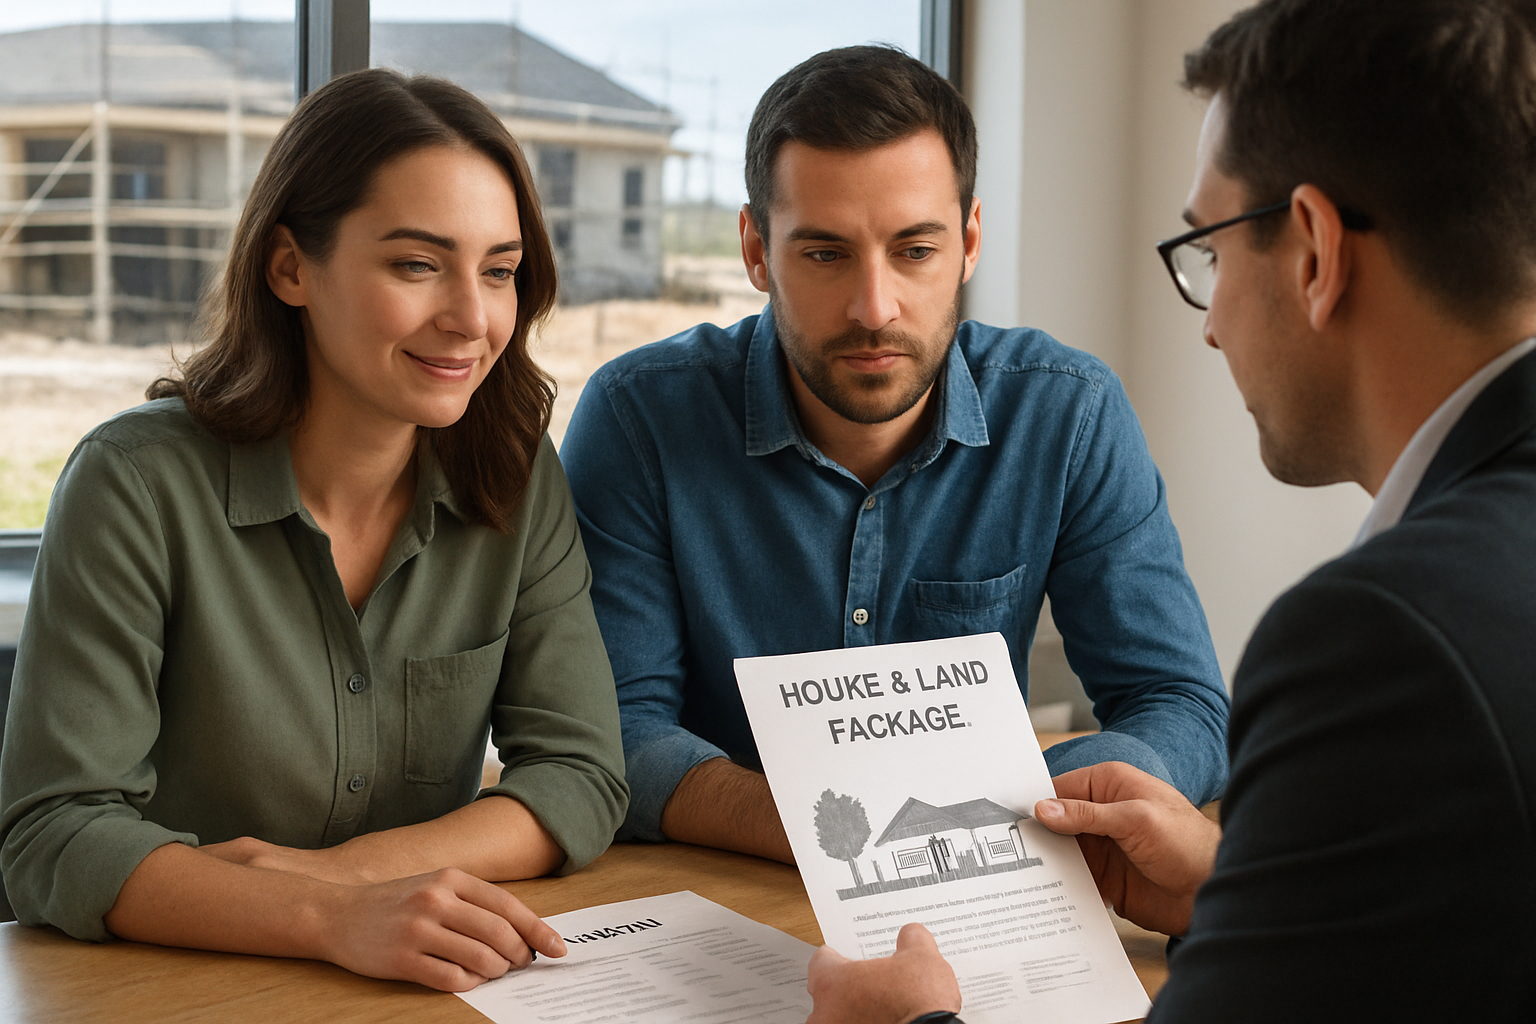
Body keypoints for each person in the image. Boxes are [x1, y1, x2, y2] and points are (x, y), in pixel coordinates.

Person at [806, 1, 1536, 1020]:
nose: (1211, 326)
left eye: (1212, 250)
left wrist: (915, 1022)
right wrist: (1246, 885)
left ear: (1316, 253)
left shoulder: (1383, 638)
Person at [0, 68, 627, 993]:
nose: (473, 318)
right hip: (171, 992)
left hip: (413, 986)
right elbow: (56, 835)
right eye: (417, 265)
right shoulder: (131, 483)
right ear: (290, 267)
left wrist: (344, 877)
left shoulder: (516, 475)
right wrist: (325, 916)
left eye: (499, 270)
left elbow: (580, 774)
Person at [561, 46, 1230, 862]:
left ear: (969, 240)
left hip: (987, 877)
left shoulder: (1068, 413)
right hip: (725, 886)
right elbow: (613, 731)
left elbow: (1180, 703)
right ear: (756, 250)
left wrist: (1036, 806)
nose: (874, 308)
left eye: (915, 251)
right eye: (824, 254)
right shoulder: (637, 419)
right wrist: (842, 834)